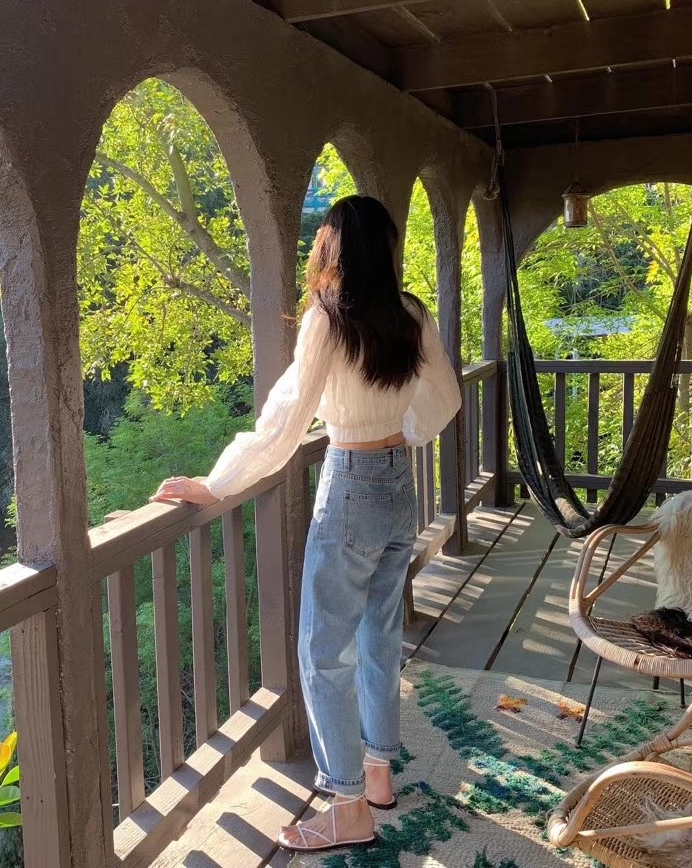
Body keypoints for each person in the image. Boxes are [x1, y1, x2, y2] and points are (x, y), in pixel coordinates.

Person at [151, 195, 462, 853]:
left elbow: (286, 419)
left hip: (350, 483)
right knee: (379, 636)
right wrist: (402, 429)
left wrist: (217, 484)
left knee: (323, 651)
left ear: (333, 248)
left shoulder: (328, 318)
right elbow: (445, 400)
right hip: (398, 484)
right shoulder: (411, 315)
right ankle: (377, 775)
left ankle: (348, 809)